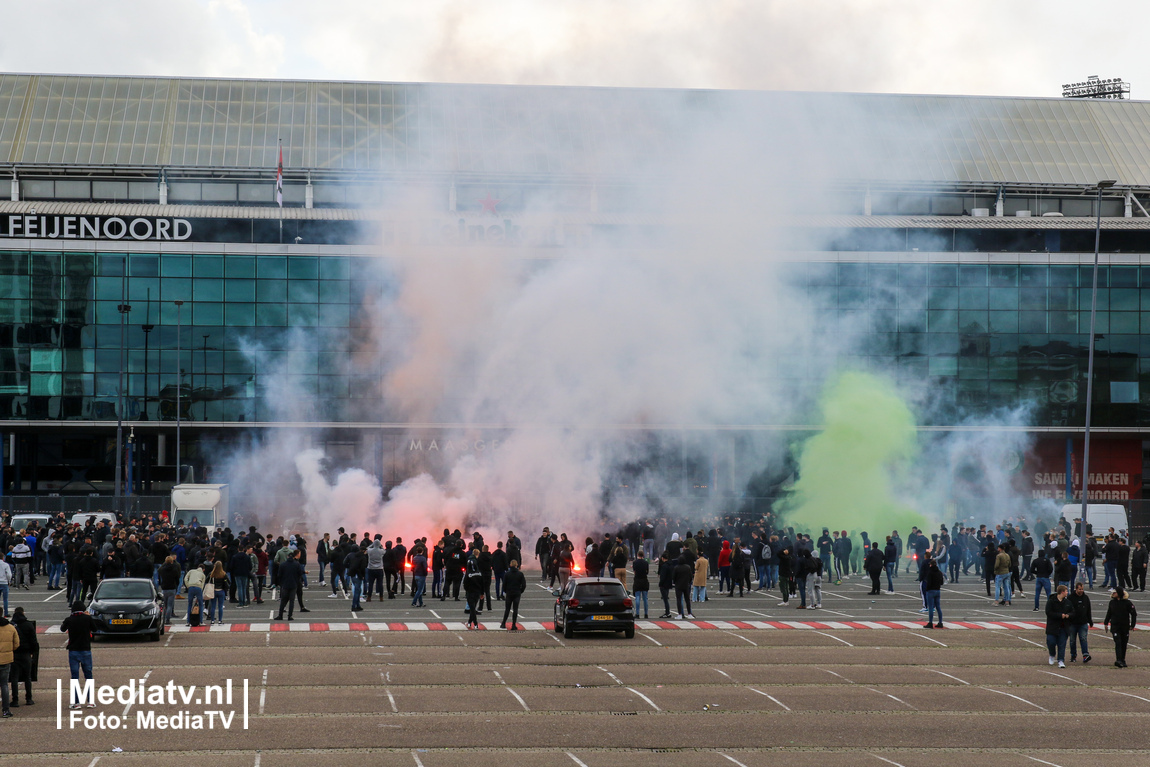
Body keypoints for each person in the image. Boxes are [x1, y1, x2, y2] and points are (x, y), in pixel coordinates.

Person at [61, 601, 96, 709]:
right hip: (85, 650)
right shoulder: (87, 619)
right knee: (88, 676)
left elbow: (62, 629)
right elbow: (95, 628)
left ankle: (76, 702)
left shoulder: (69, 620)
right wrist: (89, 617)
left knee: (75, 677)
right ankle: (90, 701)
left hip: (73, 651)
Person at [1103, 587, 1138, 668]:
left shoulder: (1127, 603)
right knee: (1118, 642)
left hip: (1125, 626)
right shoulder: (1112, 603)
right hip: (1115, 626)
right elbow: (1109, 613)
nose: (1113, 594)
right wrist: (1106, 623)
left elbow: (1133, 613)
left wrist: (1132, 625)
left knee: (1124, 643)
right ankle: (1118, 660)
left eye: (1115, 592)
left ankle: (1122, 659)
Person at [9, 607, 36, 707]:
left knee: (14, 678)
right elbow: (34, 641)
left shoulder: (11, 626)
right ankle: (29, 698)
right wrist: (33, 653)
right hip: (26, 654)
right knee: (27, 677)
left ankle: (15, 700)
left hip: (14, 654)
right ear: (23, 613)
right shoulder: (28, 625)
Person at [1045, 585, 1072, 668]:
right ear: (1062, 592)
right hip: (1052, 627)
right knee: (1051, 642)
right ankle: (1052, 654)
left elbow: (1073, 612)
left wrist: (1068, 615)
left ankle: (1061, 660)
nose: (1067, 593)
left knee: (1062, 644)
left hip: (1064, 627)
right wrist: (1060, 615)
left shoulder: (1067, 602)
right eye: (1066, 591)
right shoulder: (1051, 601)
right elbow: (1048, 612)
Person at [1067, 582, 1093, 664]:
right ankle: (1073, 655)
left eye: (1082, 589)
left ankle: (1085, 654)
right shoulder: (1070, 598)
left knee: (1083, 639)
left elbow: (1088, 609)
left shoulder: (1086, 598)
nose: (1081, 591)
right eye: (1079, 589)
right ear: (1076, 589)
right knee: (1072, 640)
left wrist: (1090, 620)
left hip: (1083, 623)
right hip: (1073, 623)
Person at [275, 550, 304, 621]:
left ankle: (280, 615)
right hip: (294, 584)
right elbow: (299, 574)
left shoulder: (282, 564)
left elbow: (279, 575)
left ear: (287, 557)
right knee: (292, 601)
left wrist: (281, 583)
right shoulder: (296, 564)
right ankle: (290, 616)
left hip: (285, 584)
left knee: (283, 600)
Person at [500, 560, 526, 630]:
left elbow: (504, 585)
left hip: (509, 592)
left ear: (510, 565)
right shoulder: (520, 574)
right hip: (517, 593)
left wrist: (506, 591)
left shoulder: (507, 574)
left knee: (507, 609)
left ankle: (503, 623)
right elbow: (524, 585)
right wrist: (520, 591)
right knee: (515, 609)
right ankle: (513, 624)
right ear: (517, 565)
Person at [0, 610, 16, 717]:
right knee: (4, 685)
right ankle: (5, 710)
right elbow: (16, 643)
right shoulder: (10, 627)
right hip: (5, 659)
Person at [463, 550, 484, 629]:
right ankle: (469, 622)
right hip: (477, 592)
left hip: (470, 592)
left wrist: (467, 591)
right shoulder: (479, 574)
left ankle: (475, 624)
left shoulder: (468, 575)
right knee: (473, 608)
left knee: (472, 609)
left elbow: (465, 584)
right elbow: (482, 584)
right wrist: (482, 593)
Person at [923, 556, 945, 629]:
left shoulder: (930, 572)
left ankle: (930, 623)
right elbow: (942, 582)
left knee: (931, 608)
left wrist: (927, 589)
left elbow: (928, 582)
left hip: (931, 591)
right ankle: (940, 622)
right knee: (938, 607)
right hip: (938, 590)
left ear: (931, 565)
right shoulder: (939, 572)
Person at [183, 561, 206, 626]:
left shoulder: (191, 571)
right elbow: (202, 584)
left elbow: (185, 578)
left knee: (190, 604)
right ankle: (201, 621)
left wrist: (188, 585)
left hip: (191, 587)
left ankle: (188, 622)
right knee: (201, 604)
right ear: (203, 569)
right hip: (198, 587)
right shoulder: (203, 575)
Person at [673, 554, 694, 620]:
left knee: (679, 600)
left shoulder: (676, 568)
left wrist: (675, 582)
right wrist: (688, 582)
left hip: (678, 585)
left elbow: (674, 577)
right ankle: (689, 613)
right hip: (686, 585)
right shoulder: (688, 567)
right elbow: (691, 576)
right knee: (687, 600)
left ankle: (680, 614)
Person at [208, 561, 229, 626]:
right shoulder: (223, 574)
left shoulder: (211, 574)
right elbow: (229, 582)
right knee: (220, 606)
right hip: (221, 591)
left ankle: (212, 621)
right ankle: (220, 620)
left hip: (213, 591)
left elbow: (207, 581)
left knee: (213, 606)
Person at [632, 552, 650, 619]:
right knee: (645, 598)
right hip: (644, 580)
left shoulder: (635, 562)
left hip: (637, 580)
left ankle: (637, 614)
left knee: (637, 597)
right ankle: (646, 614)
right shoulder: (646, 563)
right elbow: (647, 572)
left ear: (637, 555)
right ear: (643, 555)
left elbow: (634, 571)